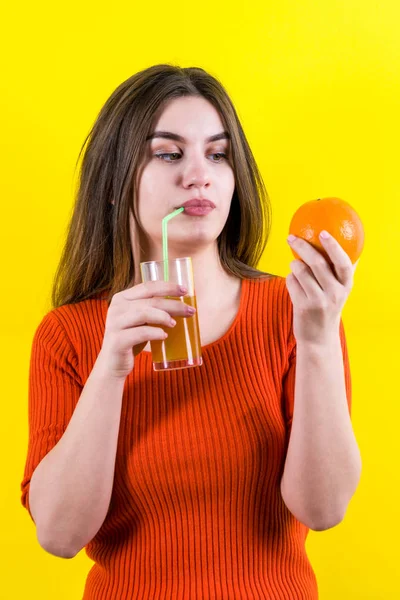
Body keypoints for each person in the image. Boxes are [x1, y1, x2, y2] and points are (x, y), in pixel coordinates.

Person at [21, 64, 359, 599]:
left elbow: (323, 509)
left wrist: (317, 340)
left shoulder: (296, 311)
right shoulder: (69, 336)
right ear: (114, 186)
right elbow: (60, 535)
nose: (199, 174)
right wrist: (110, 368)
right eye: (169, 153)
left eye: (218, 154)